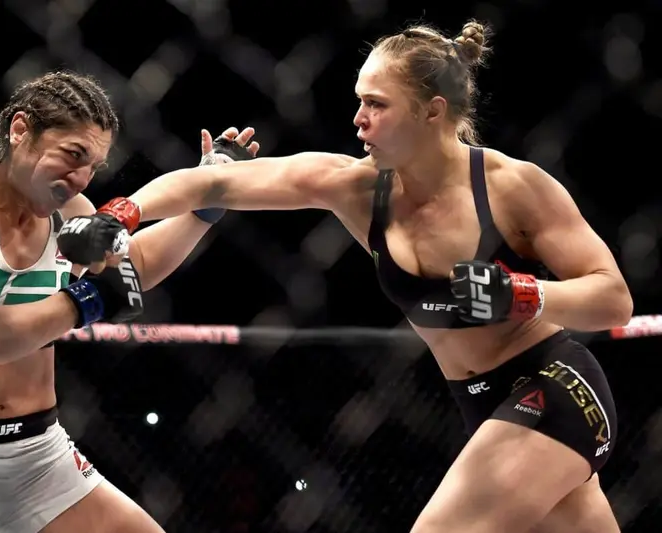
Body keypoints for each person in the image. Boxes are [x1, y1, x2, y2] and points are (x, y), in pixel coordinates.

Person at [88, 20, 632, 533]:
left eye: (376, 103)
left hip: (554, 385)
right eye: (359, 101)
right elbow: (213, 185)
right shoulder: (356, 188)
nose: (358, 119)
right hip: (478, 401)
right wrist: (119, 214)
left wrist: (521, 294)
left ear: (432, 111)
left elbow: (613, 298)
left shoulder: (511, 187)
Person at [0, 69, 259, 533]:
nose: (80, 179)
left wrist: (203, 207)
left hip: (41, 457)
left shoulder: (69, 214)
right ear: (20, 129)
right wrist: (84, 301)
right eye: (73, 154)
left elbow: (134, 266)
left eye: (93, 166)